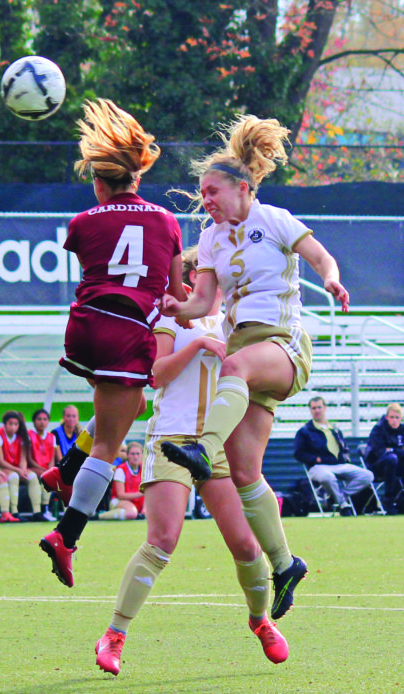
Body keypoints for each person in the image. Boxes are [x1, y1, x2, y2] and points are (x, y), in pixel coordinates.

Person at [159, 114, 350, 619]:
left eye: (212, 191)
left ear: (243, 188)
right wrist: (178, 309)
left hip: (282, 345)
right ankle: (286, 564)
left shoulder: (275, 219)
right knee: (244, 473)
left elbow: (319, 256)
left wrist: (331, 280)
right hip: (245, 347)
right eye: (202, 193)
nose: (206, 200)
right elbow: (203, 303)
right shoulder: (214, 239)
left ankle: (202, 447)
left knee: (235, 367)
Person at [95, 247, 288, 675]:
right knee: (163, 539)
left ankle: (261, 621)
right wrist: (199, 342)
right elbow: (156, 374)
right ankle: (114, 634)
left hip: (217, 444)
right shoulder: (171, 316)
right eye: (208, 275)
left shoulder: (236, 320)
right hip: (172, 438)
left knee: (245, 544)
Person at [40, 98, 185, 588]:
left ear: (99, 183)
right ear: (138, 178)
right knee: (110, 443)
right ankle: (66, 535)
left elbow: (97, 256)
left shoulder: (82, 222)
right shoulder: (167, 223)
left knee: (129, 405)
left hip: (85, 325)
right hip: (127, 329)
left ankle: (63, 471)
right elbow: (178, 293)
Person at [294, 396, 374, 515]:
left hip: (340, 464)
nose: (317, 410)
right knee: (327, 477)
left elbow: (344, 448)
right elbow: (298, 453)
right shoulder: (305, 431)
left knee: (368, 475)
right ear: (310, 411)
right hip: (319, 467)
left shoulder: (335, 430)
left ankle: (334, 498)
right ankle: (343, 505)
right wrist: (316, 459)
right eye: (314, 408)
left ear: (325, 408)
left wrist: (345, 458)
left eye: (319, 407)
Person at [0, 410, 45, 521]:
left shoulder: (21, 437)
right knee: (13, 477)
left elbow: (23, 458)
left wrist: (23, 469)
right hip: (4, 468)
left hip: (16, 468)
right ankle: (14, 511)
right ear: (5, 424)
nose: (13, 427)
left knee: (32, 477)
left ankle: (37, 511)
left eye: (16, 424)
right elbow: (0, 461)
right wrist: (18, 470)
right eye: (10, 424)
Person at [364, 402, 404, 515]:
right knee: (391, 459)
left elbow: (390, 451)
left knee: (394, 458)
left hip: (396, 465)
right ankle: (388, 499)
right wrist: (398, 451)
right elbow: (379, 452)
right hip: (376, 466)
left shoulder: (402, 430)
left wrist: (391, 450)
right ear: (387, 417)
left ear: (401, 418)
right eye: (392, 417)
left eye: (397, 417)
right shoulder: (378, 429)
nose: (394, 420)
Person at [99, 441, 145, 521]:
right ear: (127, 455)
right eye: (132, 454)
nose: (135, 457)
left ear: (142, 455)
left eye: (138, 454)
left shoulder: (145, 470)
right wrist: (141, 493)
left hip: (138, 502)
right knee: (131, 513)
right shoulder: (121, 469)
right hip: (119, 501)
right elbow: (121, 495)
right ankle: (100, 516)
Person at [27, 408, 57, 521]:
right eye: (39, 419)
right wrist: (42, 469)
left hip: (44, 469)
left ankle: (45, 509)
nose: (42, 422)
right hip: (33, 468)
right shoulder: (29, 435)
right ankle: (38, 511)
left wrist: (50, 469)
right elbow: (29, 458)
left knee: (50, 476)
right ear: (34, 421)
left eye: (45, 419)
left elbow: (52, 458)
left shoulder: (51, 437)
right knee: (40, 477)